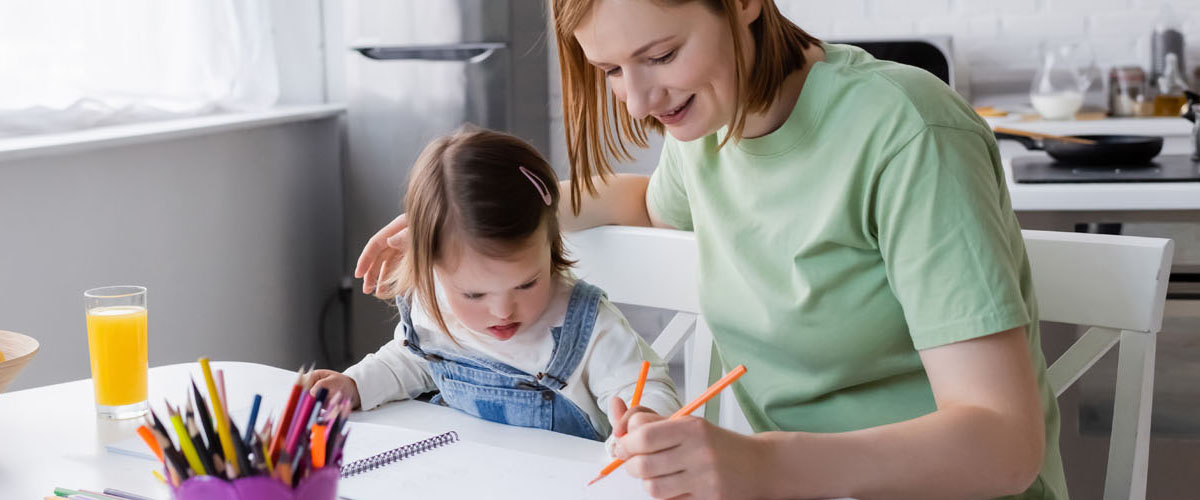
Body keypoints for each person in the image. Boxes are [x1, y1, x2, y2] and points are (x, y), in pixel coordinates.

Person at [354, 0, 1067, 498]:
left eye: (660, 54)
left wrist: (762, 468)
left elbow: (1003, 448)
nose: (636, 102)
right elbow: (652, 205)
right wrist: (482, 221)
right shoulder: (709, 129)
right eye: (608, 69)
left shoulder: (905, 131)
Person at [311, 126, 680, 442]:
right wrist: (355, 385)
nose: (503, 311)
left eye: (527, 284)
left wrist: (645, 417)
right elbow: (412, 361)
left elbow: (640, 386)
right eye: (473, 294)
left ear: (552, 244)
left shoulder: (584, 323)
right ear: (432, 269)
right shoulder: (433, 303)